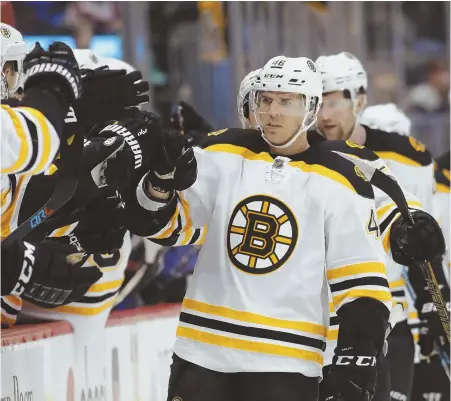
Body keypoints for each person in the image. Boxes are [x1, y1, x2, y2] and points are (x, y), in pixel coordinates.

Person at [111, 55, 393, 401]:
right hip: (202, 354)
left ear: (311, 107)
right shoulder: (220, 153)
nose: (273, 111)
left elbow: (362, 282)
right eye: (266, 99)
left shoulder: (342, 179)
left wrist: (356, 359)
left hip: (286, 364)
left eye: (287, 101)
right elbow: (168, 228)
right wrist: (159, 183)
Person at [315, 52, 448, 401]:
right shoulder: (303, 155)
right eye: (316, 103)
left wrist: (437, 308)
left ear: (359, 99)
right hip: (317, 320)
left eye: (333, 103)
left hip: (389, 319)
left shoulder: (407, 156)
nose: (323, 115)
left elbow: (425, 245)